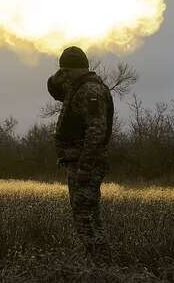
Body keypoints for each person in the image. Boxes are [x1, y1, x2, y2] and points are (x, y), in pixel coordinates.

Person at [47, 46, 114, 258]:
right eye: (62, 71)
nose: (63, 75)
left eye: (66, 70)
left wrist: (85, 167)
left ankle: (100, 259)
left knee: (85, 214)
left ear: (77, 69)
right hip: (77, 163)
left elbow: (96, 131)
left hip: (86, 165)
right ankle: (97, 258)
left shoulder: (90, 91)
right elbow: (55, 89)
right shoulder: (78, 87)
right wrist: (59, 73)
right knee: (85, 213)